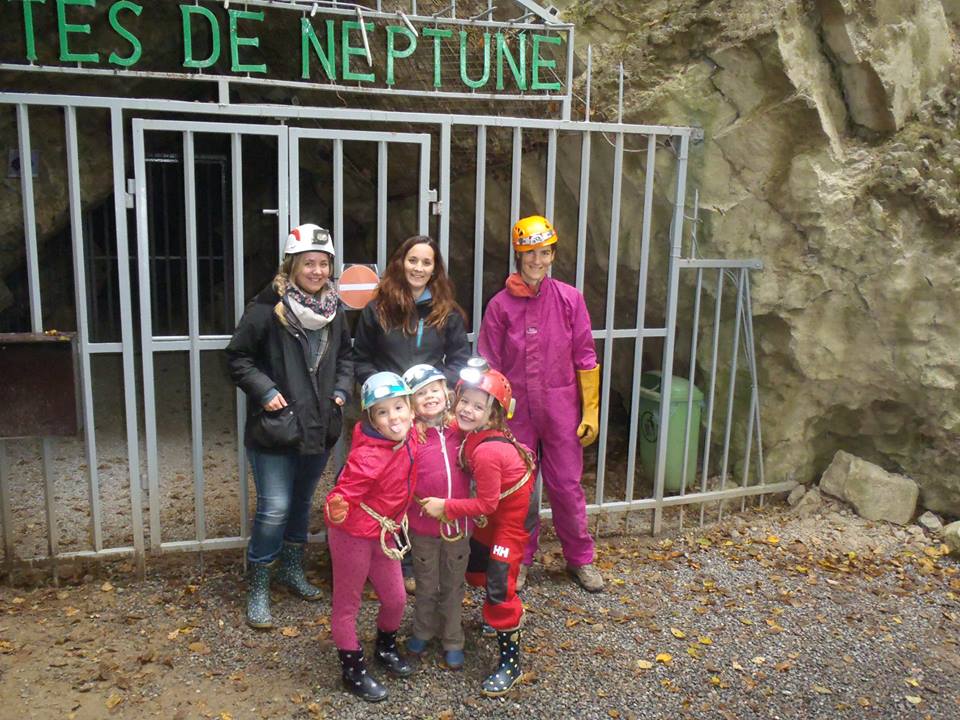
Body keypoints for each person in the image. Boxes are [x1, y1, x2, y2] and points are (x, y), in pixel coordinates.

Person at [226, 224, 353, 629]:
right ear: (292, 265)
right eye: (308, 263)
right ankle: (258, 583)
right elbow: (237, 358)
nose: (316, 271)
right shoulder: (266, 309)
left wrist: (340, 391)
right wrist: (264, 390)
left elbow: (346, 356)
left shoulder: (334, 310)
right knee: (275, 507)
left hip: (318, 424)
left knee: (300, 503)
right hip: (276, 427)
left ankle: (291, 570)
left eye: (323, 263)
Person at [477, 215, 604, 593]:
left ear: (553, 255)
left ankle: (580, 558)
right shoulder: (500, 306)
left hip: (561, 408)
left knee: (566, 485)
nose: (537, 260)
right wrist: (492, 418)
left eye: (545, 253)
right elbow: (488, 363)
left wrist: (591, 410)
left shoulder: (569, 299)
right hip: (516, 412)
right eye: (530, 253)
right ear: (518, 254)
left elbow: (585, 355)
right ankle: (520, 558)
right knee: (520, 489)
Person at [353, 234, 471, 593]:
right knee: (388, 488)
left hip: (430, 415)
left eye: (426, 262)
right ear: (400, 263)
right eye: (413, 260)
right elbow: (361, 360)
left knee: (424, 484)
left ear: (435, 269)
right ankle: (391, 562)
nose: (418, 268)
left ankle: (423, 559)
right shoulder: (376, 309)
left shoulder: (447, 312)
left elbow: (460, 360)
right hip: (390, 416)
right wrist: (384, 393)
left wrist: (434, 389)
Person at [420, 358, 536, 697]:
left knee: (499, 587)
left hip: (509, 520)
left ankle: (511, 662)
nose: (467, 411)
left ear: (493, 414)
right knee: (476, 572)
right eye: (464, 401)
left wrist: (446, 507)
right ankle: (499, 613)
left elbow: (486, 504)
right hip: (493, 517)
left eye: (478, 406)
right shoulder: (471, 432)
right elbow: (449, 429)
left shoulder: (487, 452)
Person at [324, 372, 418, 703]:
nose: (393, 417)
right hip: (352, 534)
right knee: (347, 603)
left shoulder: (410, 437)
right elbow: (342, 495)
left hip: (383, 532)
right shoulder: (368, 457)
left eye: (399, 407)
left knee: (396, 599)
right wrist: (337, 507)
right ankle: (352, 670)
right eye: (382, 412)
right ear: (371, 419)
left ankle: (385, 647)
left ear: (411, 409)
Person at [401, 363, 471, 671]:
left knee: (454, 584)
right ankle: (422, 629)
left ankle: (453, 638)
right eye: (420, 394)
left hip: (459, 525)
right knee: (426, 583)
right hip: (423, 526)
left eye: (434, 390)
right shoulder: (410, 437)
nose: (429, 397)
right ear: (411, 403)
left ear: (446, 392)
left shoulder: (462, 430)